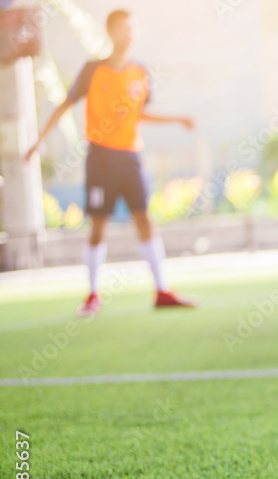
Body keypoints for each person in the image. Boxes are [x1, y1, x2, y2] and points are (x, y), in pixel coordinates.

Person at [25, 9, 197, 317]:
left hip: (130, 157)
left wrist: (176, 119)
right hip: (101, 157)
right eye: (122, 28)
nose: (129, 33)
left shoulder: (140, 73)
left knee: (144, 218)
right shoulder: (93, 70)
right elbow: (65, 104)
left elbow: (138, 114)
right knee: (98, 225)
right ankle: (92, 294)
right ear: (110, 32)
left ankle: (162, 290)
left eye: (133, 28)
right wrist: (38, 141)